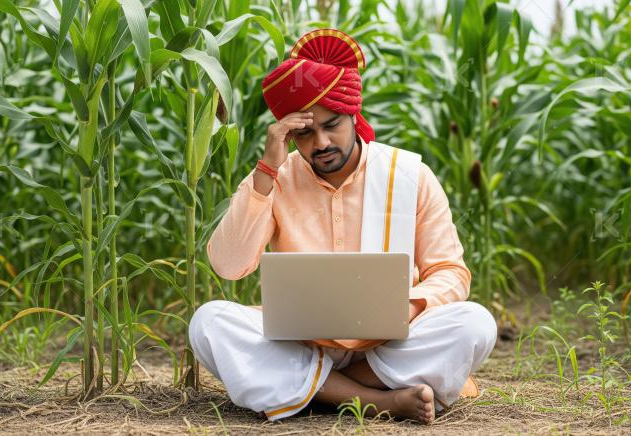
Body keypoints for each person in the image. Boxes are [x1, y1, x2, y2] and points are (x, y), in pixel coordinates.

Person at [188, 28, 497, 424]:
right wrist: (265, 171)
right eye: (304, 132)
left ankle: (316, 388)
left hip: (388, 345)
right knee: (209, 322)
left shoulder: (411, 175)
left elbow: (450, 272)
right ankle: (376, 400)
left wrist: (406, 307)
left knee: (475, 324)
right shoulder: (274, 177)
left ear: (354, 113)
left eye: (331, 124)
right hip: (301, 343)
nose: (320, 143)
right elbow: (229, 266)